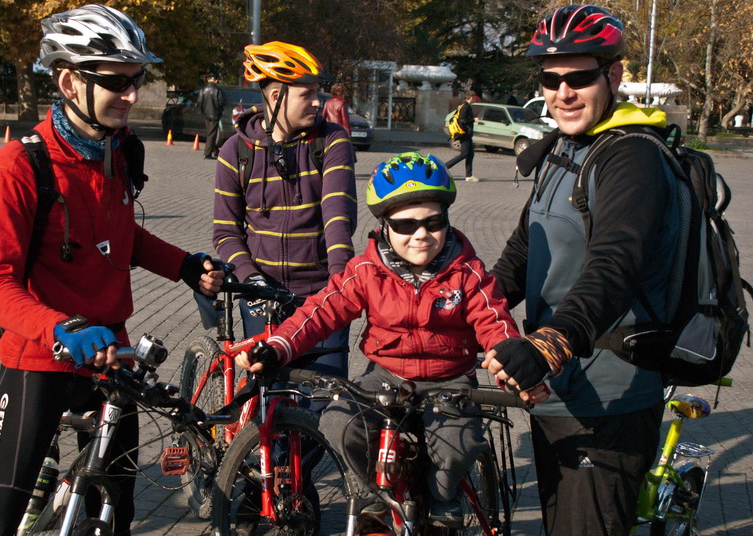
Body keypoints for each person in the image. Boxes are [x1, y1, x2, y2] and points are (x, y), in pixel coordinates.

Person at [0, 5, 225, 536]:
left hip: (113, 359)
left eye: (137, 81)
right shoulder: (21, 166)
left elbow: (118, 240)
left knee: (117, 511)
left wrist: (184, 265)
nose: (131, 96)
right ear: (67, 81)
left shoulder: (121, 152)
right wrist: (62, 327)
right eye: (116, 83)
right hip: (40, 360)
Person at [237, 152, 546, 527]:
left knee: (455, 446)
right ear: (384, 226)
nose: (421, 234)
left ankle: (443, 498)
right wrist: (278, 347)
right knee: (337, 423)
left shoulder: (468, 272)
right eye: (405, 225)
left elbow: (494, 322)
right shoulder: (366, 270)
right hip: (384, 377)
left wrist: (514, 369)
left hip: (449, 382)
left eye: (434, 222)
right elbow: (322, 311)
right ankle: (373, 496)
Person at [485, 5, 679, 535]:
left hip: (610, 393)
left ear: (613, 75)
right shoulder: (565, 149)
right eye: (550, 79)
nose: (562, 93)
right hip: (558, 385)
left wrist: (549, 343)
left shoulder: (632, 158)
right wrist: (460, 304)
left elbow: (614, 266)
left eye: (579, 78)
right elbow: (523, 249)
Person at [213, 41, 357, 390]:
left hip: (321, 294)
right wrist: (251, 278)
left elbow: (337, 218)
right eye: (306, 94)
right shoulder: (236, 151)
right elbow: (225, 232)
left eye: (317, 93)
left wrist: (340, 284)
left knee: (327, 404)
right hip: (263, 299)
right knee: (271, 410)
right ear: (275, 96)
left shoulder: (331, 141)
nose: (317, 102)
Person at [445, 90, 478, 182]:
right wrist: (473, 120)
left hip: (466, 133)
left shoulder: (463, 106)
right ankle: (445, 166)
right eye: (474, 97)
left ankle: (469, 176)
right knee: (464, 154)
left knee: (470, 154)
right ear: (471, 98)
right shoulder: (466, 107)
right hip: (464, 133)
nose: (474, 99)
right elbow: (463, 119)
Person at [196, 73, 226, 160]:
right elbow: (222, 102)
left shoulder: (203, 89)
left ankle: (216, 151)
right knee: (212, 134)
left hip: (206, 114)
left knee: (210, 133)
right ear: (215, 80)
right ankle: (207, 153)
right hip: (215, 114)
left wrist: (203, 111)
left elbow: (199, 102)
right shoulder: (217, 90)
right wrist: (219, 110)